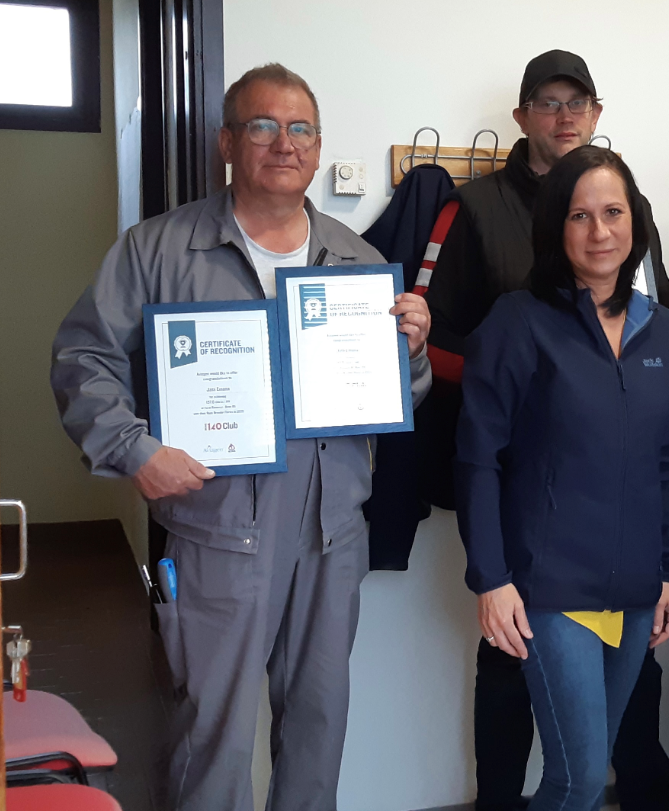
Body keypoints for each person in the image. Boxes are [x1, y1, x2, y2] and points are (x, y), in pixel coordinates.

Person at [50, 64, 432, 811]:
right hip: (215, 531)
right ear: (228, 141)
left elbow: (395, 397)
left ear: (319, 149)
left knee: (319, 726)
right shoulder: (156, 250)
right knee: (212, 735)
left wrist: (411, 353)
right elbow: (81, 358)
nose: (282, 143)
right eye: (262, 126)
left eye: (299, 130)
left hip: (331, 534)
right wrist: (136, 450)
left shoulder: (355, 263)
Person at [423, 50, 669, 811]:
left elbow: (667, 459)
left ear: (635, 224)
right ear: (554, 226)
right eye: (578, 214)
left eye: (613, 213)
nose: (598, 231)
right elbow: (479, 458)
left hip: (634, 585)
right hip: (546, 585)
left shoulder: (658, 326)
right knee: (574, 775)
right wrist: (492, 580)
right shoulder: (518, 321)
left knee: (592, 764)